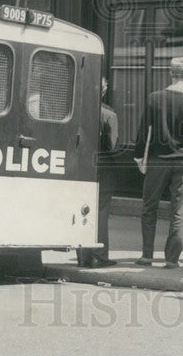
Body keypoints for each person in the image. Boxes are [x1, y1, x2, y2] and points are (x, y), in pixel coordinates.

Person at [134, 57, 183, 269]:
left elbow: (142, 132)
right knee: (179, 211)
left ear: (170, 73)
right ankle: (171, 259)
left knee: (149, 207)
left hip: (158, 160)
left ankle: (147, 255)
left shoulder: (154, 99)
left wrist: (139, 157)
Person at [79, 76, 119, 268]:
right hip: (103, 169)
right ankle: (99, 256)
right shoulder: (109, 114)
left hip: (80, 168)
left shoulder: (77, 111)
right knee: (101, 213)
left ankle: (82, 256)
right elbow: (113, 146)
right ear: (103, 90)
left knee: (82, 212)